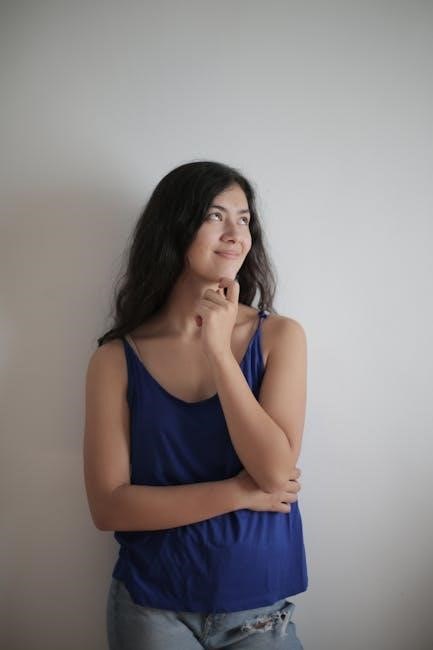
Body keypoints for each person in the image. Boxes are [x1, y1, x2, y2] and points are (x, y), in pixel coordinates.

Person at [83, 160, 308, 649]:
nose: (235, 234)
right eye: (214, 215)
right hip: (150, 607)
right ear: (175, 227)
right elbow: (109, 506)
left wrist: (219, 354)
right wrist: (239, 493)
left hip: (260, 607)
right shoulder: (115, 359)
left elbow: (274, 472)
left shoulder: (280, 337)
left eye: (244, 219)